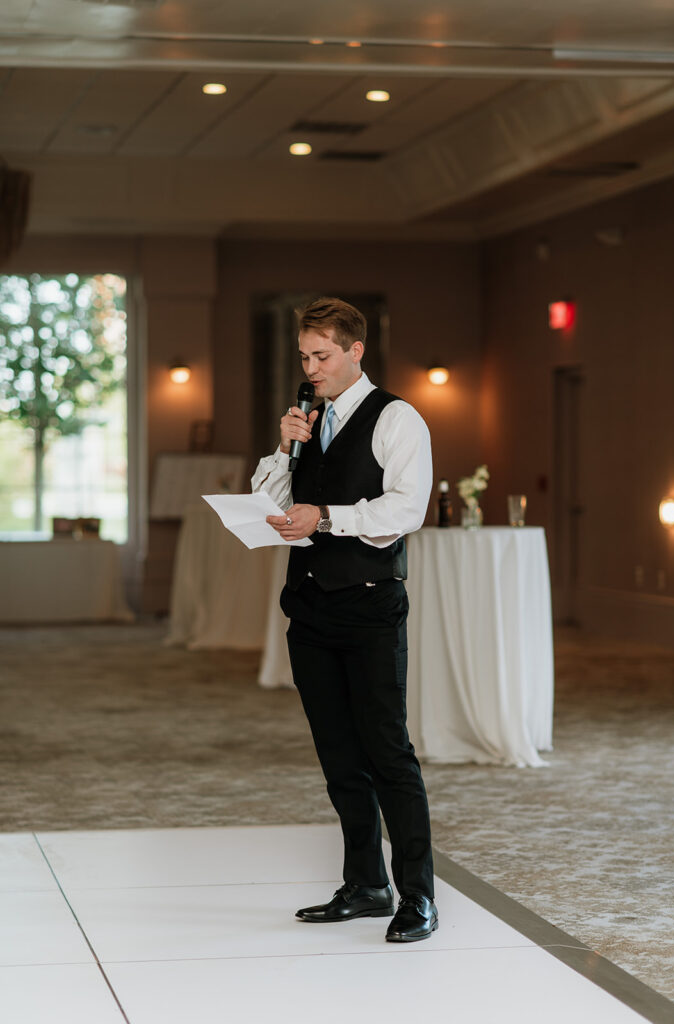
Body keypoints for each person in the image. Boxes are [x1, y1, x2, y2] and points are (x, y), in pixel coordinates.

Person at [251, 296, 437, 942]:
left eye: (322, 355)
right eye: (304, 357)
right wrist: (283, 449)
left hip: (368, 605)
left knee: (387, 752)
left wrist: (328, 517)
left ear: (356, 351)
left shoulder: (398, 419)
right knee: (338, 756)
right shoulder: (309, 420)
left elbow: (406, 509)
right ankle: (366, 883)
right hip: (310, 608)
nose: (311, 368)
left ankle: (418, 895)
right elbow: (268, 503)